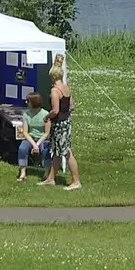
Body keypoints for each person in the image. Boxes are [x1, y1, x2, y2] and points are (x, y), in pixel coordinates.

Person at [40, 57, 81, 190]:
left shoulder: (55, 91)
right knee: (57, 152)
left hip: (59, 124)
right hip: (66, 122)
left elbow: (55, 110)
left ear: (52, 77)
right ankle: (51, 178)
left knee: (67, 152)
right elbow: (72, 106)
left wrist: (47, 116)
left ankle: (76, 181)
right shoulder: (66, 87)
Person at [16, 91, 51, 181]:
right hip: (30, 138)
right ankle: (23, 172)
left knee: (46, 150)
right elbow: (25, 132)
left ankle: (47, 172)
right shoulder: (26, 114)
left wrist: (37, 144)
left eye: (28, 101)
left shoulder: (45, 114)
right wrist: (33, 144)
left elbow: (47, 132)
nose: (26, 103)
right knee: (22, 148)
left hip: (43, 139)